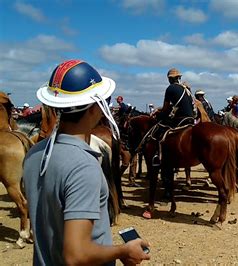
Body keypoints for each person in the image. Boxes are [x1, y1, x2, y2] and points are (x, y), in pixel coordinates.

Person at [22, 60, 150, 265]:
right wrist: (122, 251)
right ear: (94, 109)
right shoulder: (84, 166)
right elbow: (76, 255)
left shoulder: (34, 153)